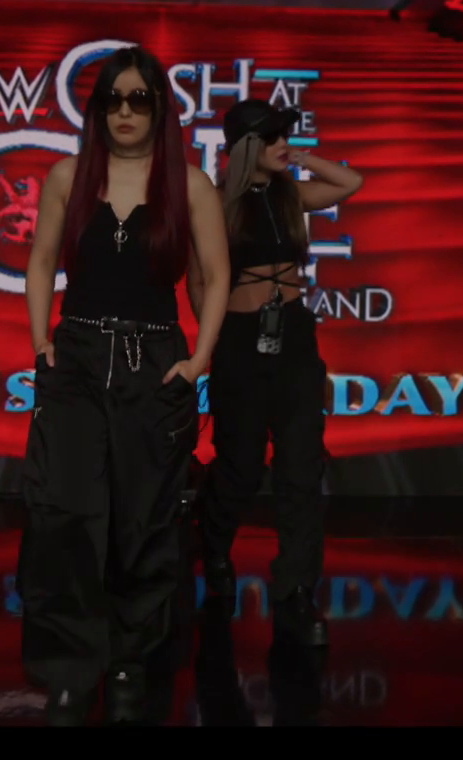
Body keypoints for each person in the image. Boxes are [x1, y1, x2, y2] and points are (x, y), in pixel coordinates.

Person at [19, 46, 231, 726]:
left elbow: (216, 275)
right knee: (65, 513)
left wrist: (200, 358)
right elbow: (41, 261)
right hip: (78, 355)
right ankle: (70, 667)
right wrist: (41, 343)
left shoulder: (189, 185)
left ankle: (129, 660)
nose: (125, 111)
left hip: (153, 360)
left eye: (139, 99)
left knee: (144, 519)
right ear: (98, 109)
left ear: (159, 108)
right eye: (113, 99)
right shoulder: (69, 176)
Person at [190, 98, 363, 648]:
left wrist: (300, 157)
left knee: (300, 464)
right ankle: (213, 546)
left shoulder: (290, 195)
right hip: (240, 342)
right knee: (239, 465)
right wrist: (211, 345)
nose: (283, 145)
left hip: (294, 336)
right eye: (272, 138)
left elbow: (350, 182)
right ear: (246, 147)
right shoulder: (216, 203)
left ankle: (297, 588)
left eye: (285, 136)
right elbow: (198, 282)